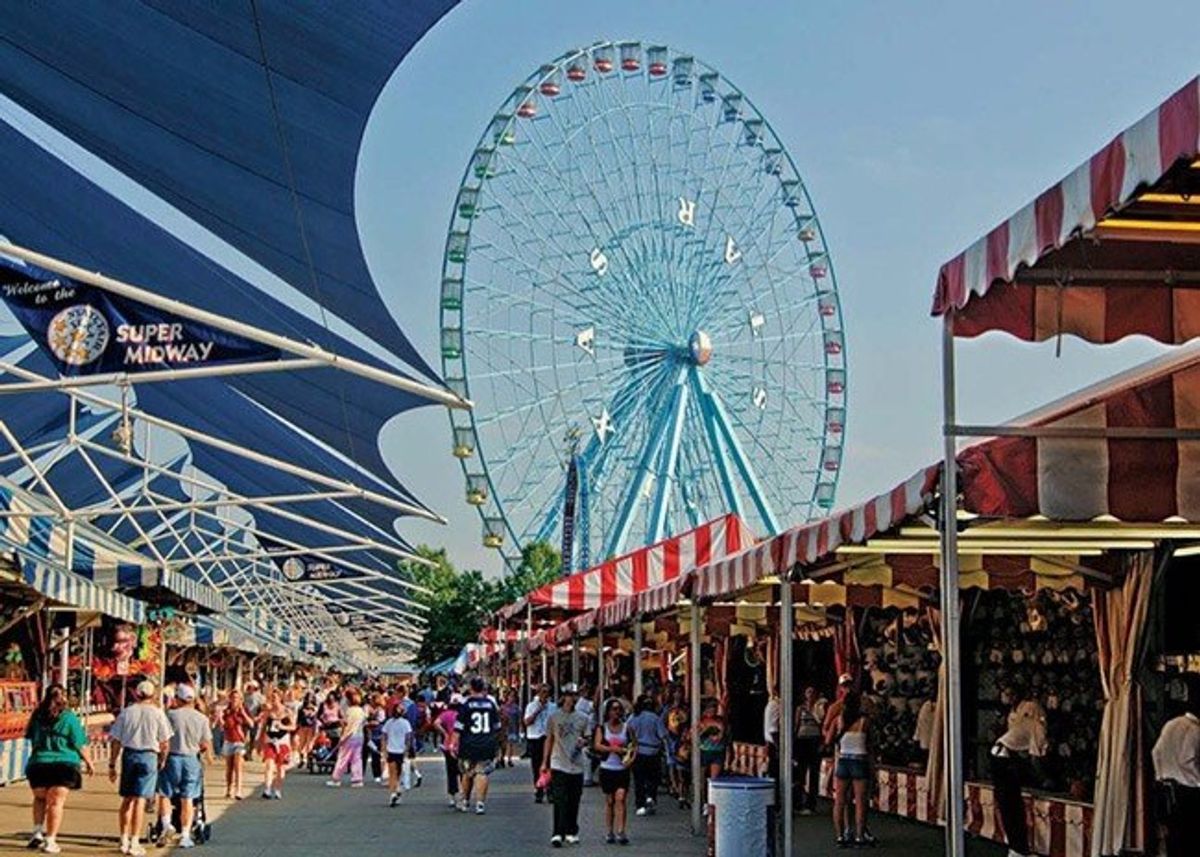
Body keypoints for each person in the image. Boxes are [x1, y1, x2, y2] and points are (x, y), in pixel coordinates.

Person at [23, 683, 93, 854]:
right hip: (63, 765)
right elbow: (79, 744)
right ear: (64, 697)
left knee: (40, 799)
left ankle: (37, 832)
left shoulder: (37, 716)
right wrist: (89, 762)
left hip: (38, 764)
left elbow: (29, 736)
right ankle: (50, 840)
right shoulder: (69, 718)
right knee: (55, 803)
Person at [108, 680, 173, 857]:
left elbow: (116, 741)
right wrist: (162, 759)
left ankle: (124, 838)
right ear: (153, 696)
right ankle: (135, 841)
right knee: (140, 799)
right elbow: (165, 742)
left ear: (137, 694)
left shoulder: (126, 713)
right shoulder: (158, 714)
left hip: (129, 755)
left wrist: (112, 764)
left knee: (127, 799)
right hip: (149, 756)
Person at [154, 685, 213, 848]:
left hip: (172, 757)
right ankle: (186, 835)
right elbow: (205, 744)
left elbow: (161, 738)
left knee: (165, 793)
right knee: (188, 797)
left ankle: (167, 825)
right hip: (191, 759)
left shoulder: (169, 715)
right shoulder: (201, 719)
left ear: (177, 699)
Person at [1152, 693, 1200, 857]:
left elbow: (1156, 752)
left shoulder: (1171, 724)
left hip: (1165, 789)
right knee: (1190, 840)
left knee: (1173, 839)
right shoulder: (1196, 731)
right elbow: (1188, 760)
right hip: (1189, 793)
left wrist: (1160, 775)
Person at [542, 683, 589, 847]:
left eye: (574, 695)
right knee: (560, 799)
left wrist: (584, 741)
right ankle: (557, 832)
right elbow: (549, 739)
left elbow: (588, 737)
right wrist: (544, 762)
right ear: (563, 697)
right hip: (558, 762)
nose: (571, 699)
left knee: (574, 800)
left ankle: (571, 830)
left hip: (576, 764)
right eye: (569, 695)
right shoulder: (554, 717)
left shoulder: (583, 718)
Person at [828, 689, 875, 848]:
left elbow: (828, 739)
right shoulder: (864, 722)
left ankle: (840, 835)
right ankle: (859, 836)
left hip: (843, 760)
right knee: (861, 801)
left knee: (840, 801)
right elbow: (871, 744)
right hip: (860, 761)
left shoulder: (838, 720)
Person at [455, 676, 502, 814]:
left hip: (468, 743)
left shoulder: (466, 705)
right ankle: (480, 803)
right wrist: (497, 743)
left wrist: (453, 744)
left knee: (467, 772)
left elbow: (458, 728)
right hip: (487, 742)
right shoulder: (490, 704)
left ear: (470, 688)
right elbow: (497, 726)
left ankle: (465, 801)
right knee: (482, 772)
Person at [593, 698, 635, 845]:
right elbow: (597, 745)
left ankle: (621, 831)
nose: (616, 712)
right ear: (608, 712)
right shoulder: (602, 728)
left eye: (619, 709)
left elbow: (634, 745)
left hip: (622, 769)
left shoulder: (627, 728)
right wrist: (613, 749)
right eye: (614, 709)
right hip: (607, 768)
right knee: (610, 801)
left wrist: (628, 755)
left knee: (621, 799)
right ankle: (609, 830)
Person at [627, 694, 666, 816]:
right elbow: (662, 735)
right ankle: (650, 797)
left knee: (639, 780)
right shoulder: (655, 718)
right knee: (653, 778)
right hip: (653, 752)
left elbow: (627, 731)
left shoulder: (633, 717)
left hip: (638, 752)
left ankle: (640, 804)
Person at [257, 689, 295, 799]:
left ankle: (277, 789)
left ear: (280, 698)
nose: (273, 700)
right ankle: (267, 789)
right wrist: (259, 742)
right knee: (269, 765)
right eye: (271, 698)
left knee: (281, 768)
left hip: (283, 742)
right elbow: (264, 727)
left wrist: (283, 727)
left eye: (275, 697)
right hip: (270, 741)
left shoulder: (287, 711)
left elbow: (293, 727)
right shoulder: (268, 713)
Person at [794, 685, 826, 814]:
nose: (810, 694)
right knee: (800, 772)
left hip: (814, 740)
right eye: (808, 692)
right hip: (802, 740)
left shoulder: (819, 708)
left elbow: (823, 724)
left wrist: (823, 742)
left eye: (812, 692)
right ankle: (798, 802)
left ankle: (811, 803)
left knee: (814, 773)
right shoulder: (800, 709)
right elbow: (796, 726)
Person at [326, 688, 367, 787]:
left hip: (349, 736)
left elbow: (346, 725)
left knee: (343, 757)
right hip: (359, 735)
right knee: (356, 758)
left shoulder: (349, 711)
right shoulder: (361, 710)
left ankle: (336, 778)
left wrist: (342, 736)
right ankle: (357, 779)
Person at [220, 688, 254, 800]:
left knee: (238, 765)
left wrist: (243, 714)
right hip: (229, 740)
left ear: (241, 699)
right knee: (229, 768)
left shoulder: (244, 710)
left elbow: (251, 724)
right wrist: (220, 720)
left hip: (240, 741)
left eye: (237, 698)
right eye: (233, 698)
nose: (234, 700)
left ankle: (238, 790)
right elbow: (222, 726)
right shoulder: (226, 711)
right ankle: (229, 788)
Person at [524, 683, 555, 803]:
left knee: (550, 764)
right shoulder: (531, 706)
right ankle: (539, 790)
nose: (544, 695)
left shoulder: (553, 707)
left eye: (547, 693)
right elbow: (527, 722)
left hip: (548, 737)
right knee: (537, 765)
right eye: (542, 692)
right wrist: (537, 711)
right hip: (535, 737)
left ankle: (550, 790)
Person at [695, 697, 726, 814]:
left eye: (714, 707)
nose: (712, 710)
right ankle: (704, 802)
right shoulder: (701, 721)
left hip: (717, 751)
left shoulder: (720, 721)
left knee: (714, 780)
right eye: (710, 708)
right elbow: (696, 735)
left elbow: (720, 736)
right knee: (702, 780)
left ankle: (711, 803)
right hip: (704, 751)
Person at [380, 700, 414, 807]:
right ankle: (397, 790)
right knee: (398, 773)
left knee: (392, 774)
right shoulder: (406, 723)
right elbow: (408, 738)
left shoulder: (388, 723)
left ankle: (393, 793)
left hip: (391, 750)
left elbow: (384, 737)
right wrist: (407, 750)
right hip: (401, 750)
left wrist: (384, 750)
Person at [662, 687, 690, 808]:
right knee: (671, 763)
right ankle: (675, 786)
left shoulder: (686, 708)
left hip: (683, 740)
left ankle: (681, 791)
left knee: (681, 765)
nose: (678, 695)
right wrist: (665, 736)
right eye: (676, 692)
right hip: (671, 738)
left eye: (680, 692)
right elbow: (663, 722)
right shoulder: (668, 708)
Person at [434, 695, 463, 808]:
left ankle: (452, 795)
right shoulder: (463, 715)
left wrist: (445, 732)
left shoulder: (446, 714)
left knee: (451, 771)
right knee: (463, 772)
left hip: (448, 744)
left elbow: (436, 723)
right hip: (462, 745)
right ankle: (463, 794)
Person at [294, 690, 318, 768]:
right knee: (305, 743)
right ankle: (305, 759)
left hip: (308, 727)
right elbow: (298, 718)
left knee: (306, 744)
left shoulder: (312, 708)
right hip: (306, 727)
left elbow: (298, 719)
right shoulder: (305, 708)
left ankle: (306, 759)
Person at [242, 681, 264, 761]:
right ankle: (243, 752)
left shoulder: (260, 697)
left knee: (253, 737)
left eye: (252, 687)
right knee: (243, 736)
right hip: (245, 718)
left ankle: (249, 753)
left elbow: (262, 709)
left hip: (254, 719)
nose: (250, 689)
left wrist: (258, 717)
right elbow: (242, 705)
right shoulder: (245, 696)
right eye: (249, 687)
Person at [500, 689, 520, 767]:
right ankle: (501, 758)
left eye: (513, 696)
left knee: (511, 744)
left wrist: (520, 727)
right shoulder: (503, 707)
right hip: (505, 728)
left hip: (513, 726)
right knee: (504, 744)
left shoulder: (516, 708)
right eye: (510, 696)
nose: (512, 698)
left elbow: (519, 718)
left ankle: (509, 759)